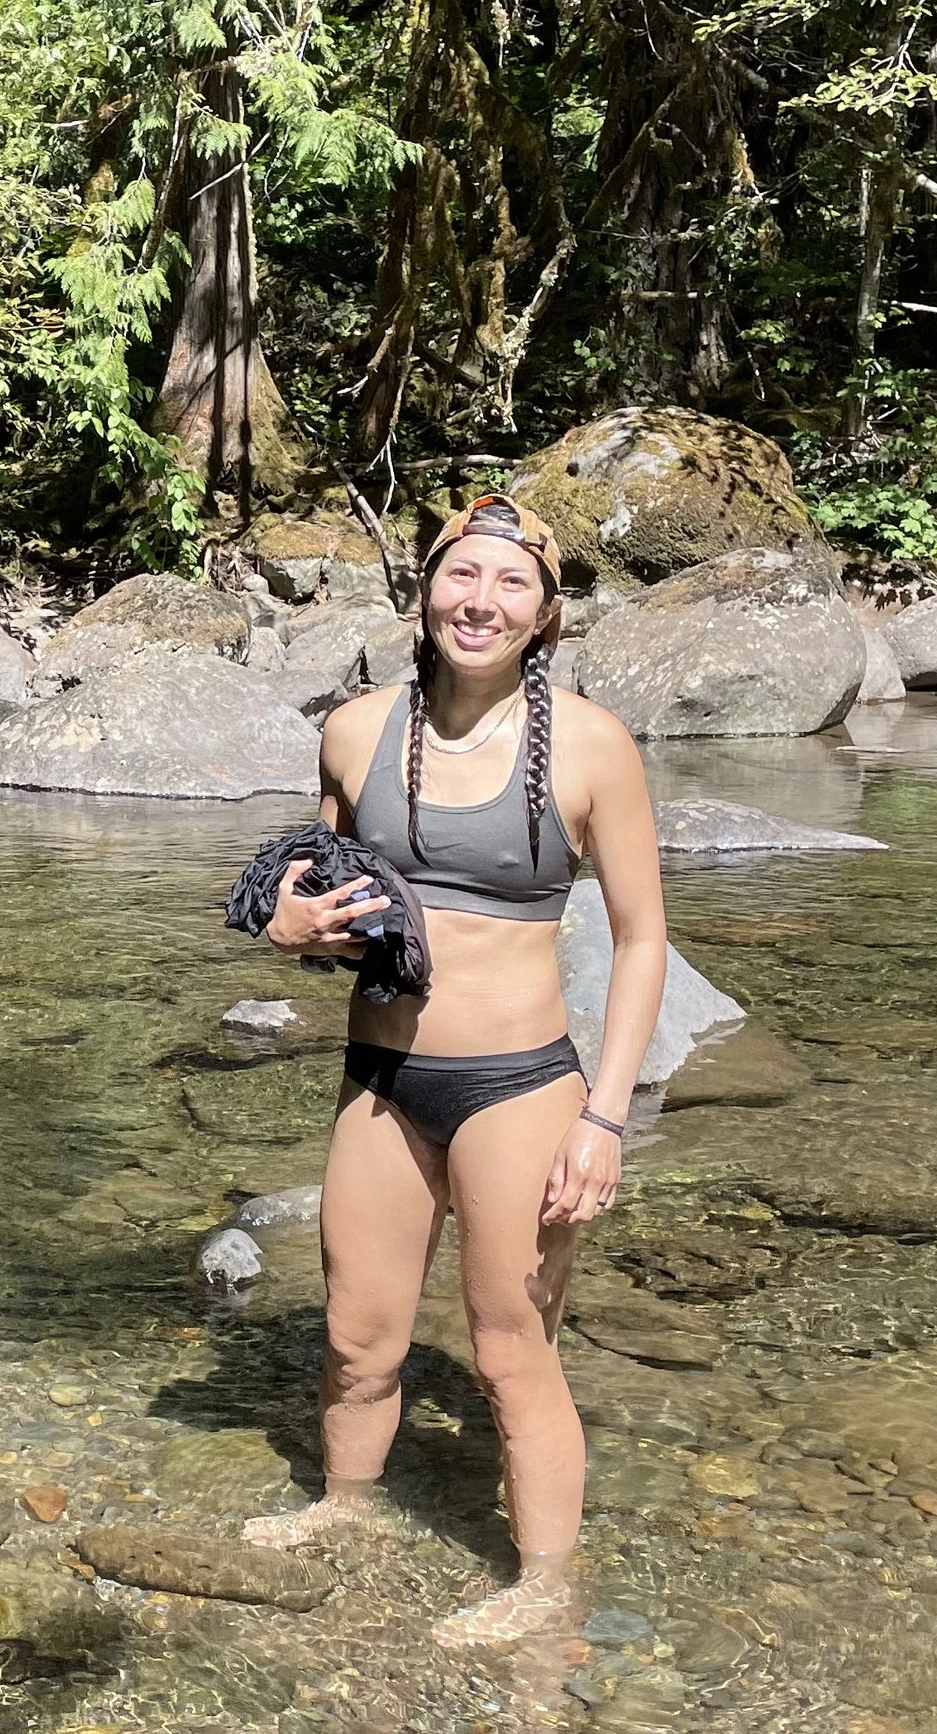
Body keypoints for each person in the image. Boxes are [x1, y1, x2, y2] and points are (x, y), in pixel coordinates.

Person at [240, 495, 667, 1642]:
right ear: (426, 590)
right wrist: (287, 930)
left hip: (520, 1090)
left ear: (546, 615)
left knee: (507, 1351)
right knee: (354, 1334)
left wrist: (606, 1119)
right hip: (379, 1080)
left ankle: (543, 1590)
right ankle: (344, 1504)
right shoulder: (352, 729)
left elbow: (640, 940)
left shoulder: (589, 745)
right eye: (459, 576)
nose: (480, 601)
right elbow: (317, 878)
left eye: (510, 584)